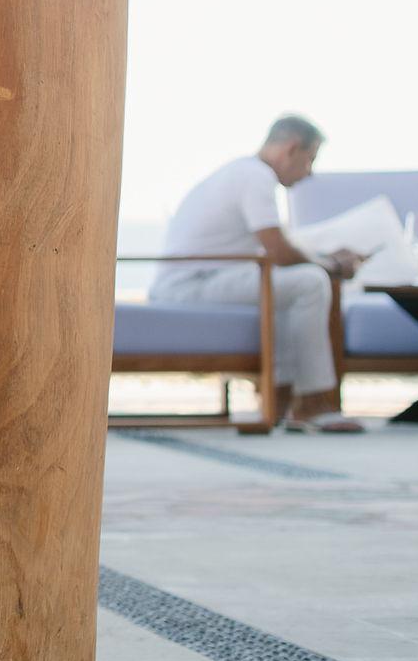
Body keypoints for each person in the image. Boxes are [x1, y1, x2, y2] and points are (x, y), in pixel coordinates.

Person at [149, 116, 363, 433]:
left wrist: (325, 258)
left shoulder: (243, 171)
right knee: (311, 283)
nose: (309, 172)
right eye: (310, 159)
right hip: (189, 285)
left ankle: (279, 401)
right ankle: (312, 403)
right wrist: (331, 266)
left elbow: (277, 251)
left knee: (290, 287)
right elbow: (279, 250)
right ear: (291, 149)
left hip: (197, 280)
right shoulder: (256, 177)